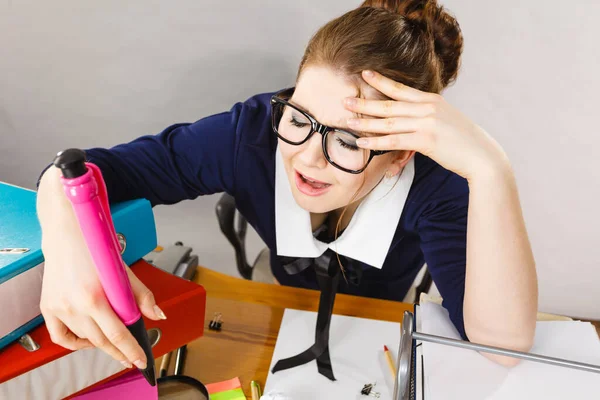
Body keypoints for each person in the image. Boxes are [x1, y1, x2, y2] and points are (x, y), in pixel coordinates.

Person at [36, 0, 538, 374]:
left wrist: (493, 170)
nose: (308, 156)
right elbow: (79, 172)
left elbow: (501, 346)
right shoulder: (253, 131)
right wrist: (66, 249)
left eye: (348, 140)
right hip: (278, 310)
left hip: (378, 321)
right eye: (301, 117)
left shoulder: (436, 181)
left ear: (401, 154)